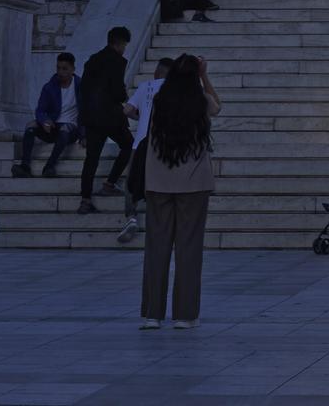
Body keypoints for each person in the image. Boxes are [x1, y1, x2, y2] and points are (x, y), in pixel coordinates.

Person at [139, 54, 222, 330]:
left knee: (156, 249)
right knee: (189, 250)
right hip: (193, 183)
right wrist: (203, 76)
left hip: (159, 181)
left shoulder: (160, 102)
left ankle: (153, 313)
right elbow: (217, 106)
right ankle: (184, 314)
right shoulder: (200, 103)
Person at [78, 26, 135, 215]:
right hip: (111, 116)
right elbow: (118, 91)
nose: (125, 49)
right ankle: (110, 183)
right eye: (124, 45)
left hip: (92, 117)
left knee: (91, 159)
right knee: (128, 145)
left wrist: (83, 122)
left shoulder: (92, 60)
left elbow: (83, 92)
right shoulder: (117, 61)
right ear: (119, 43)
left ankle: (85, 200)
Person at [118, 57, 173, 242]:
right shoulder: (175, 89)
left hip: (141, 142)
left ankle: (131, 217)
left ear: (157, 72)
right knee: (160, 181)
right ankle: (160, 220)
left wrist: (140, 117)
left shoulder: (145, 86)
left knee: (131, 181)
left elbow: (126, 111)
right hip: (165, 144)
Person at [11, 53, 81, 179]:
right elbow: (40, 110)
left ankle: (50, 166)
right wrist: (44, 121)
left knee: (65, 129)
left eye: (64, 68)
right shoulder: (49, 87)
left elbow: (87, 112)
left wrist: (85, 135)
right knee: (30, 126)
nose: (60, 72)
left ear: (73, 69)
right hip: (52, 126)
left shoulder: (81, 86)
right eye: (58, 68)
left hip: (71, 129)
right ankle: (25, 166)